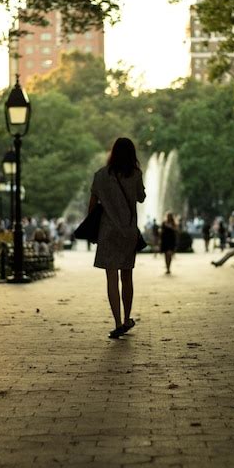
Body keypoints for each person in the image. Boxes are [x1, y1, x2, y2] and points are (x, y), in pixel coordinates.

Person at [89, 137, 146, 339]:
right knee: (127, 276)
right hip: (128, 232)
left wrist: (92, 231)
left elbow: (92, 205)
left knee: (111, 277)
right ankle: (127, 318)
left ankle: (117, 321)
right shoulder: (135, 174)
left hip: (107, 231)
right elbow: (141, 197)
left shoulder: (100, 176)